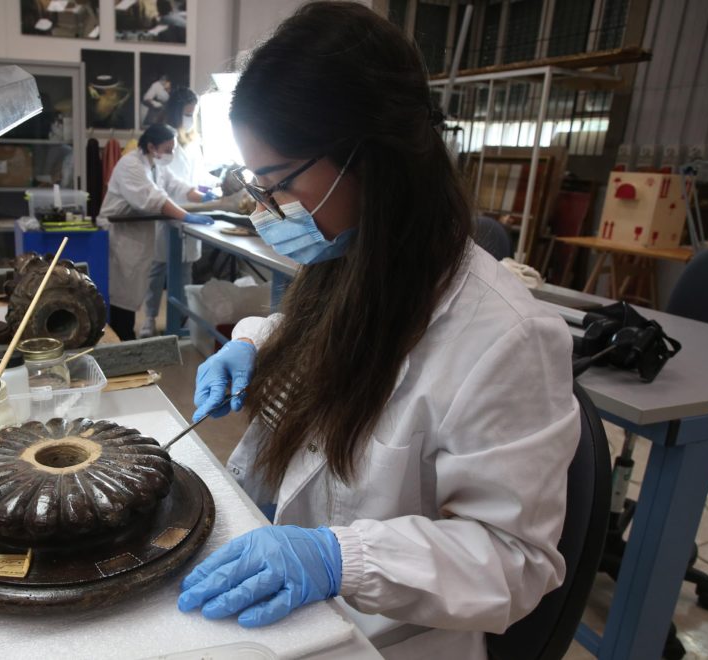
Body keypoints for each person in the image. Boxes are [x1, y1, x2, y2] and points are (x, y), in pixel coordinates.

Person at [177, 3, 579, 659]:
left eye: (277, 184)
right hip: (298, 617)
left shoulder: (510, 338)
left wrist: (344, 559)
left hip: (390, 640)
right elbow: (320, 331)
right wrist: (251, 342)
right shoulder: (353, 259)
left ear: (368, 161)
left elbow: (516, 561)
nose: (264, 210)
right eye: (255, 185)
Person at [100, 123, 214, 341]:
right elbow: (154, 198)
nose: (171, 154)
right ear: (152, 146)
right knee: (120, 295)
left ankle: (126, 336)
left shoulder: (155, 165)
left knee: (130, 293)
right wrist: (186, 216)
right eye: (168, 149)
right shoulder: (130, 165)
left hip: (136, 236)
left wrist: (205, 197)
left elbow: (177, 186)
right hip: (122, 237)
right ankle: (122, 340)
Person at [140, 88, 215, 338]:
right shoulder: (164, 138)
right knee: (158, 269)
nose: (191, 119)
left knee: (185, 270)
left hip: (190, 208)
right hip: (167, 210)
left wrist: (210, 188)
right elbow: (165, 179)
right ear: (175, 112)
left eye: (194, 114)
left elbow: (197, 174)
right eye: (187, 114)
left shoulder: (193, 141)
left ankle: (181, 320)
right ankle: (149, 318)